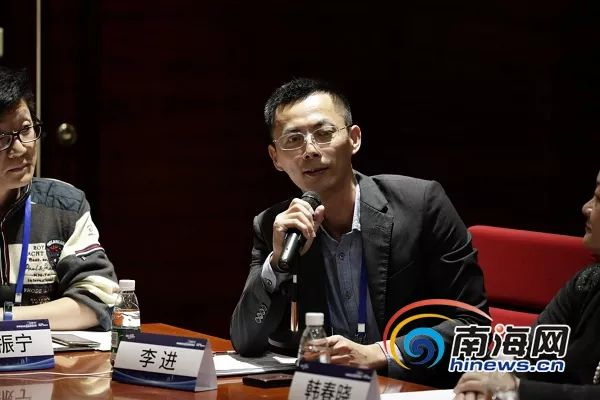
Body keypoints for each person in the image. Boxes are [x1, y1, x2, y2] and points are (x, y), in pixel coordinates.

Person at [230, 77, 489, 387]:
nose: (309, 150)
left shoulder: (421, 206)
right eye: (294, 139)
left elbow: (475, 326)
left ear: (354, 139)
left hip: (415, 387)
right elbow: (246, 341)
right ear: (276, 158)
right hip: (329, 389)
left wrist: (382, 353)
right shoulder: (273, 225)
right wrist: (276, 264)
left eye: (323, 133)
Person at [453, 170, 600, 399]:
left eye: (599, 198)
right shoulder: (588, 281)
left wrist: (517, 389)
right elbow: (527, 349)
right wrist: (483, 381)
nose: (586, 208)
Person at [0, 66, 118, 330]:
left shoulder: (64, 206)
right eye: (1, 137)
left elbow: (97, 300)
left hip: (45, 356)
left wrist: (7, 320)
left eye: (26, 129)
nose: (19, 148)